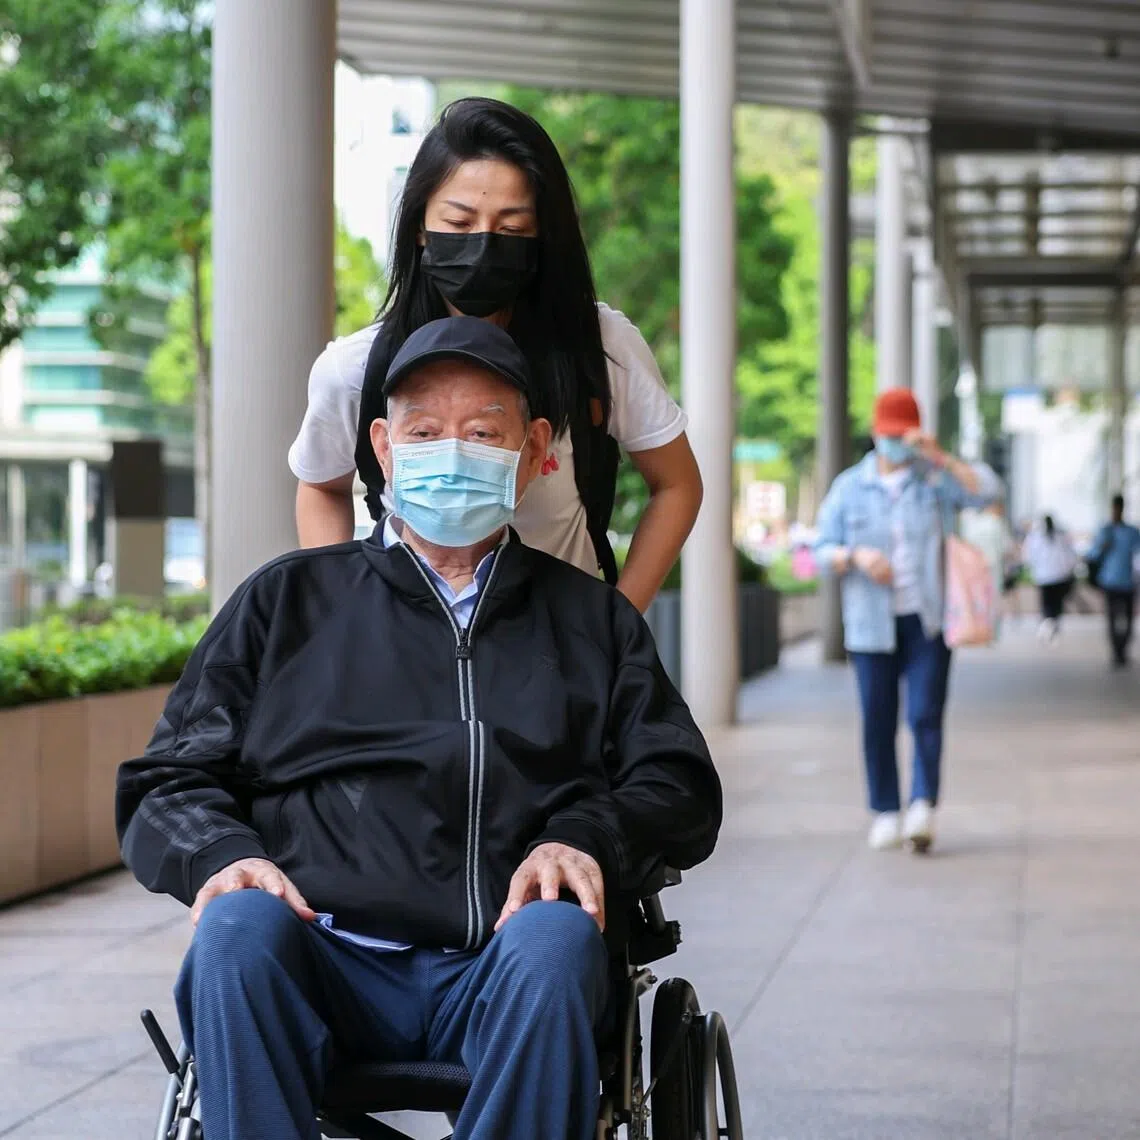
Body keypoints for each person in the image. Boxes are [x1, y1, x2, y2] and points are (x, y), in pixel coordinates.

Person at [116, 317, 723, 1140]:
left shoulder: (591, 622)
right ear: (384, 447)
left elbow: (679, 783)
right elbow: (167, 779)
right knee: (236, 929)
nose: (452, 451)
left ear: (536, 448)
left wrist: (585, 836)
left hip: (503, 965)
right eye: (425, 431)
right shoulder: (286, 604)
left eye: (483, 432)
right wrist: (225, 857)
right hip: (323, 956)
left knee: (557, 938)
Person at [289, 96, 702, 613]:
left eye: (511, 229)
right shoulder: (355, 369)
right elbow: (321, 485)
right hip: (409, 658)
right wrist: (341, 616)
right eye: (460, 223)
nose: (483, 245)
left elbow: (678, 484)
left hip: (560, 662)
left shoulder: (597, 348)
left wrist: (616, 627)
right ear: (419, 226)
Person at [814, 388, 1001, 854]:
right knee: (878, 719)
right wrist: (855, 556)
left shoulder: (934, 481)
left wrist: (939, 456)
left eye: (905, 435)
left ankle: (923, 806)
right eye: (890, 434)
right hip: (869, 626)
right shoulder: (849, 487)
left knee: (925, 715)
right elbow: (816, 552)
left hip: (928, 620)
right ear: (876, 433)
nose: (896, 442)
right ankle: (885, 810)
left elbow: (989, 493)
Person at [1086, 493, 1140, 667]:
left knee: (1128, 620)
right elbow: (1092, 555)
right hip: (1109, 582)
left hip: (1128, 582)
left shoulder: (1132, 532)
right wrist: (1102, 547)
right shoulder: (1105, 531)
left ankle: (1123, 650)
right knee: (1112, 619)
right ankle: (1116, 652)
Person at [960, 500, 1015, 640]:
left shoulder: (973, 523)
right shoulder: (997, 523)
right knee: (993, 601)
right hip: (993, 567)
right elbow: (1007, 548)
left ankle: (976, 630)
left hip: (974, 568)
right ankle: (991, 633)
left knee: (977, 600)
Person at [1023, 514, 1078, 643]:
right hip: (1058, 576)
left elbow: (1029, 558)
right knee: (1055, 605)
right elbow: (1070, 557)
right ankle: (1051, 627)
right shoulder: (1058, 537)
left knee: (1047, 605)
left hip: (1045, 577)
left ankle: (1048, 626)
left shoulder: (1036, 538)